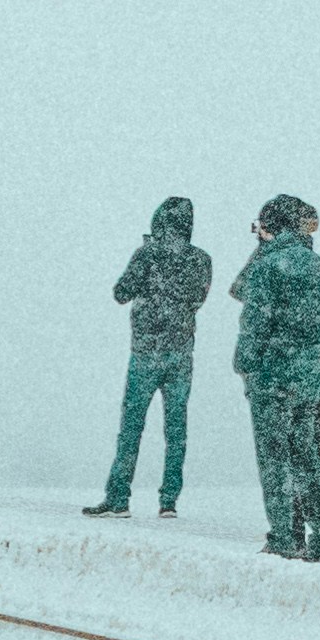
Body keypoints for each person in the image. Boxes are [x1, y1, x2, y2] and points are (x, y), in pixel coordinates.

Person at [231, 192, 320, 562]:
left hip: (272, 378)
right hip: (311, 379)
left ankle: (285, 536)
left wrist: (244, 364)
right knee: (310, 457)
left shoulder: (267, 268)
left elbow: (251, 316)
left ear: (269, 227)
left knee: (276, 459)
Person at [85, 195, 208, 517]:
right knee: (176, 430)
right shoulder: (201, 260)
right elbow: (197, 298)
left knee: (131, 427)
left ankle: (119, 498)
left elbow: (120, 292)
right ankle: (169, 501)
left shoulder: (146, 254)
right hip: (181, 352)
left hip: (145, 352)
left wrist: (146, 263)